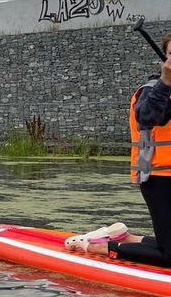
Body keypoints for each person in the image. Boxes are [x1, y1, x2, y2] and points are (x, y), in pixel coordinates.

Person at [65, 32, 171, 266]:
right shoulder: (152, 89)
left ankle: (127, 238)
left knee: (168, 243)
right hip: (158, 176)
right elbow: (146, 116)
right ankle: (101, 247)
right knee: (170, 255)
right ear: (165, 60)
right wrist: (166, 82)